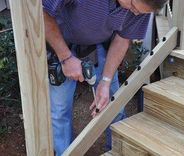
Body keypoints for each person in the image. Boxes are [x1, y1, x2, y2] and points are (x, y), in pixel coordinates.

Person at [42, 0, 167, 155]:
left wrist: (105, 81)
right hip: (60, 43)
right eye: (133, 6)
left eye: (140, 12)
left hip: (98, 45)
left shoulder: (142, 8)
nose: (134, 13)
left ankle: (117, 151)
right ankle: (64, 153)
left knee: (113, 103)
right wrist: (65, 57)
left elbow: (122, 39)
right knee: (59, 111)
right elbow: (43, 12)